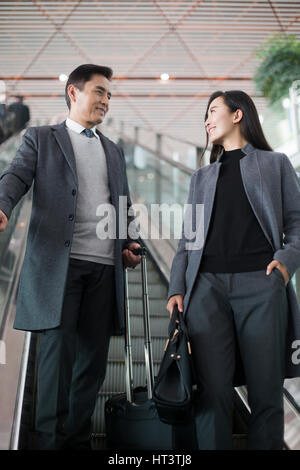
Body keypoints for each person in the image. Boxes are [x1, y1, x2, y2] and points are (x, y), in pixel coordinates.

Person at [0, 64, 141, 450]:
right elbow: (14, 176)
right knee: (55, 364)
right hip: (58, 268)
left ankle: (76, 441)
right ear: (74, 93)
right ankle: (47, 441)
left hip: (104, 268)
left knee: (92, 367)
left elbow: (123, 204)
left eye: (109, 96)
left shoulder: (113, 150)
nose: (106, 101)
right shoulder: (42, 138)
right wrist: (3, 206)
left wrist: (130, 242)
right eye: (99, 92)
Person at [166, 90, 300, 450]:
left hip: (261, 284)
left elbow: (298, 223)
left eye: (213, 111)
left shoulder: (275, 164)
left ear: (238, 114)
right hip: (206, 290)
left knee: (266, 393)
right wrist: (177, 288)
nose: (207, 120)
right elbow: (186, 239)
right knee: (211, 393)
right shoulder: (201, 177)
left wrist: (285, 266)